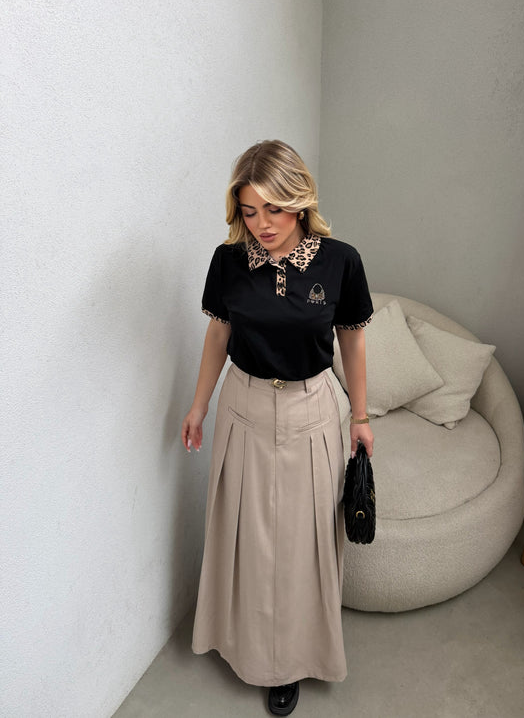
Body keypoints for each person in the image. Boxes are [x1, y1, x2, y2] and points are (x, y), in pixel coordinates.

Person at [181, 139, 374, 716]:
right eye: (249, 211)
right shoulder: (228, 261)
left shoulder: (341, 261)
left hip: (311, 409)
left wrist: (361, 416)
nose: (261, 224)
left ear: (300, 201)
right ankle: (243, 644)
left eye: (274, 209)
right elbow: (219, 334)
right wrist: (199, 405)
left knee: (301, 541)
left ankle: (291, 661)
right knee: (246, 533)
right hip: (242, 404)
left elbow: (352, 342)